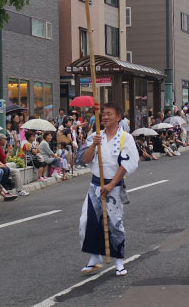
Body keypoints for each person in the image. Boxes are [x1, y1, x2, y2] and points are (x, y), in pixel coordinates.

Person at [80, 102, 139, 277]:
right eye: (103, 114)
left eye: (109, 114)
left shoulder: (125, 138)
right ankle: (94, 256)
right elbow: (84, 159)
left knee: (114, 222)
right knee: (87, 221)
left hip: (113, 185)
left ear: (118, 117)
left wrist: (112, 184)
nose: (105, 117)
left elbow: (127, 164)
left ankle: (119, 261)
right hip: (95, 185)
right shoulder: (95, 136)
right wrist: (93, 145)